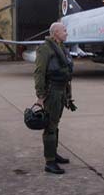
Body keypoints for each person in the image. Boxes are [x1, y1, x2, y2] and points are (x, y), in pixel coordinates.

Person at [34, 22, 76, 174]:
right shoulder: (45, 49)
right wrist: (40, 96)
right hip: (51, 92)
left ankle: (54, 153)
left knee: (55, 123)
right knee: (50, 127)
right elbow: (39, 72)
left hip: (61, 91)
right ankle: (49, 162)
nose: (66, 33)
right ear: (55, 33)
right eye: (64, 30)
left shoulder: (62, 48)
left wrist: (68, 93)